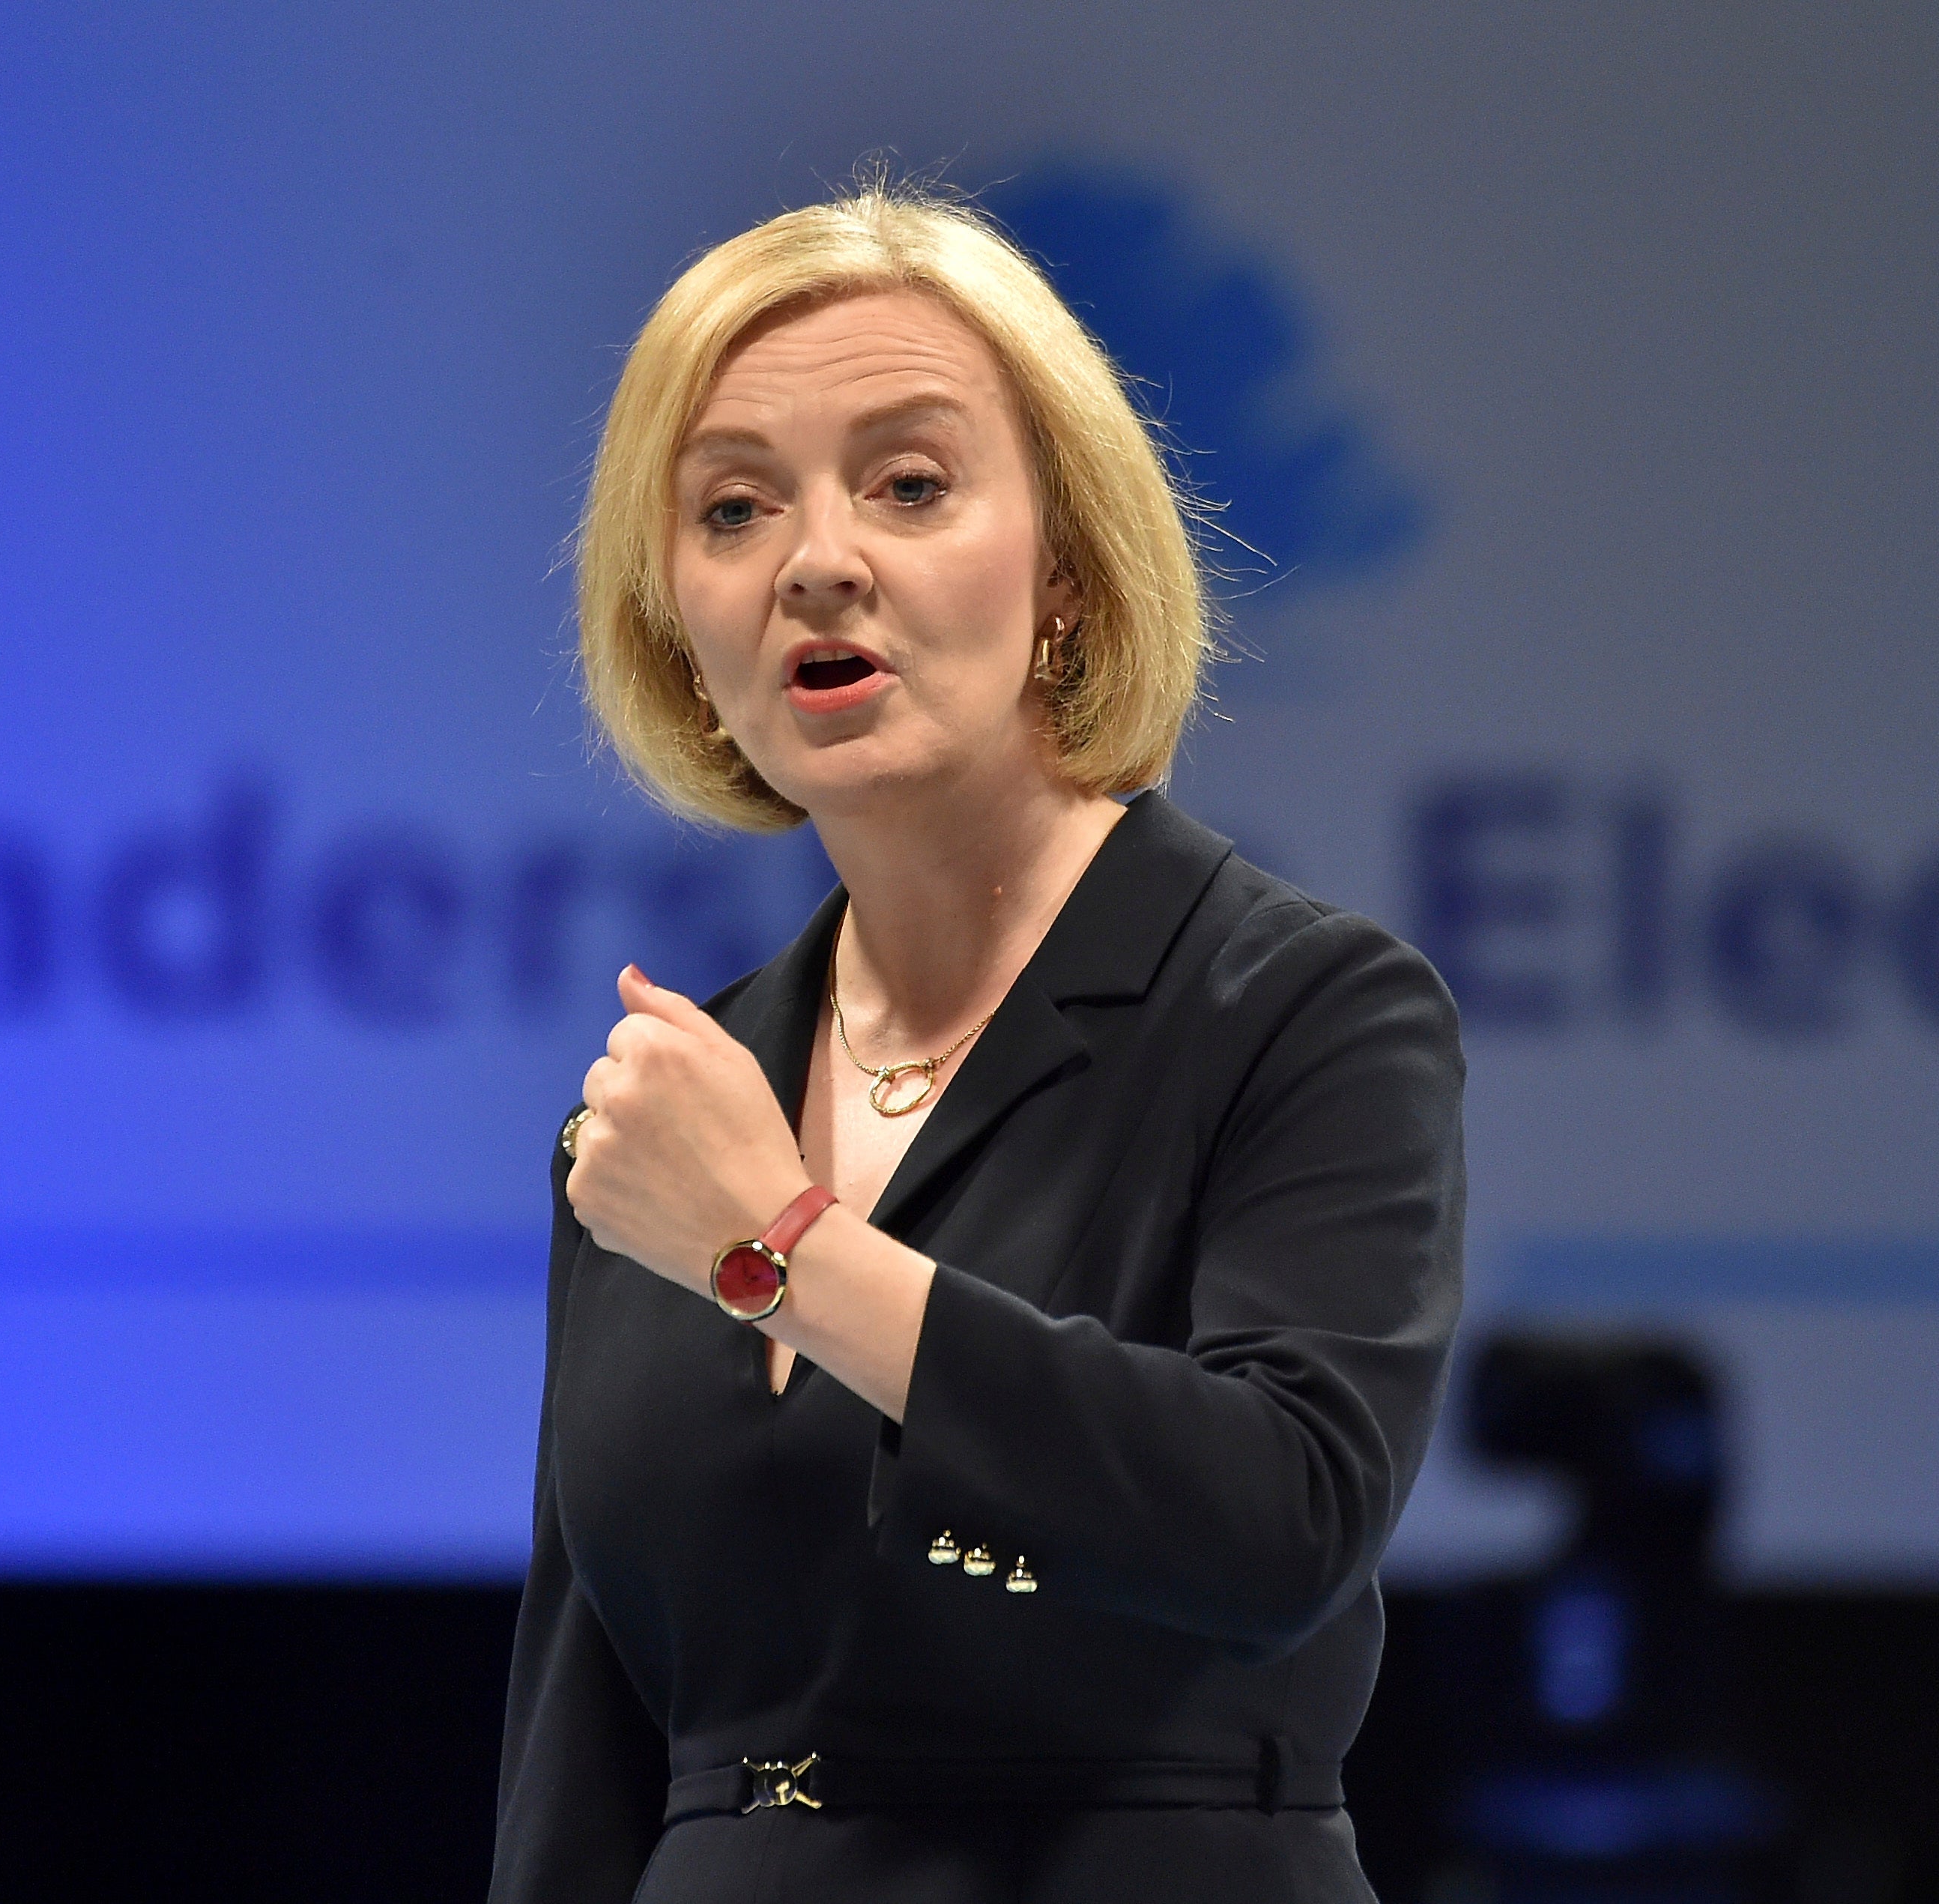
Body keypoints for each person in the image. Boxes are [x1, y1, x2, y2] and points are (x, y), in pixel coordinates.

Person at [491, 182, 1465, 1903]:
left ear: (1069, 575)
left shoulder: (1298, 1008)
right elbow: (586, 1735)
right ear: (682, 637)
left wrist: (781, 1250)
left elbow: (1283, 1519)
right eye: (732, 507)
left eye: (911, 483)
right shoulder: (663, 1117)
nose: (817, 558)